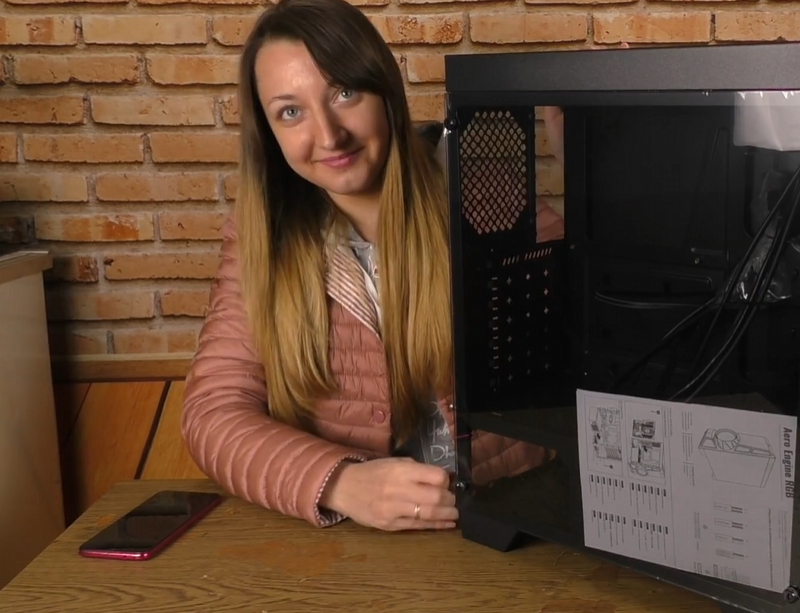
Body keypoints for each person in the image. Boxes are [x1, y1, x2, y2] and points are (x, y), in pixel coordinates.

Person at [180, 0, 564, 532]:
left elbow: (602, 353)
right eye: (290, 112)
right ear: (268, 132)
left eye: (344, 93)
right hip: (351, 543)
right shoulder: (258, 235)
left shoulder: (485, 197)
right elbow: (214, 412)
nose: (329, 135)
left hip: (504, 524)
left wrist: (594, 183)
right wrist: (340, 482)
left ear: (385, 90)